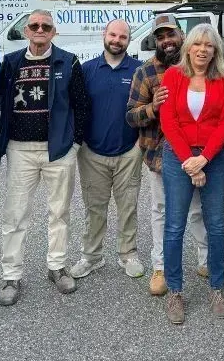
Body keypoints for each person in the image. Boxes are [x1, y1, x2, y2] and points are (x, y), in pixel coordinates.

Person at [0, 9, 88, 304]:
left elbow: (82, 106)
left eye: (45, 26)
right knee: (15, 214)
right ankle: (11, 275)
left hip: (58, 150)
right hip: (20, 149)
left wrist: (74, 144)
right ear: (25, 31)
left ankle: (57, 266)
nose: (39, 30)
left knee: (59, 212)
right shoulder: (10, 63)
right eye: (34, 25)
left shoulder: (68, 61)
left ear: (53, 32)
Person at [125, 14, 211, 297]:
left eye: (170, 34)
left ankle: (205, 261)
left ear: (181, 35)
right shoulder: (146, 72)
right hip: (161, 156)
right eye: (160, 37)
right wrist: (152, 107)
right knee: (161, 212)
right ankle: (160, 267)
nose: (167, 41)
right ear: (155, 41)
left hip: (198, 155)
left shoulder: (201, 67)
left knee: (199, 210)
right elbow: (130, 116)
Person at [159, 23, 224, 324]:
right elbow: (169, 120)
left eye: (209, 45)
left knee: (216, 224)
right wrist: (190, 161)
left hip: (213, 158)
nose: (203, 50)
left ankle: (217, 287)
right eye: (198, 44)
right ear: (188, 47)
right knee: (174, 226)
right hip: (179, 156)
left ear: (215, 50)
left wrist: (203, 159)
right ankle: (175, 290)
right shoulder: (173, 76)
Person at [69, 19, 144, 279]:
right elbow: (75, 109)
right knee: (94, 208)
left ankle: (128, 254)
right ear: (104, 35)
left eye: (122, 37)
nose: (117, 40)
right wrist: (80, 144)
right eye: (113, 34)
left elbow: (147, 111)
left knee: (128, 206)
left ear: (128, 40)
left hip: (129, 152)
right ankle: (91, 257)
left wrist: (139, 146)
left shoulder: (139, 70)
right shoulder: (87, 69)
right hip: (92, 154)